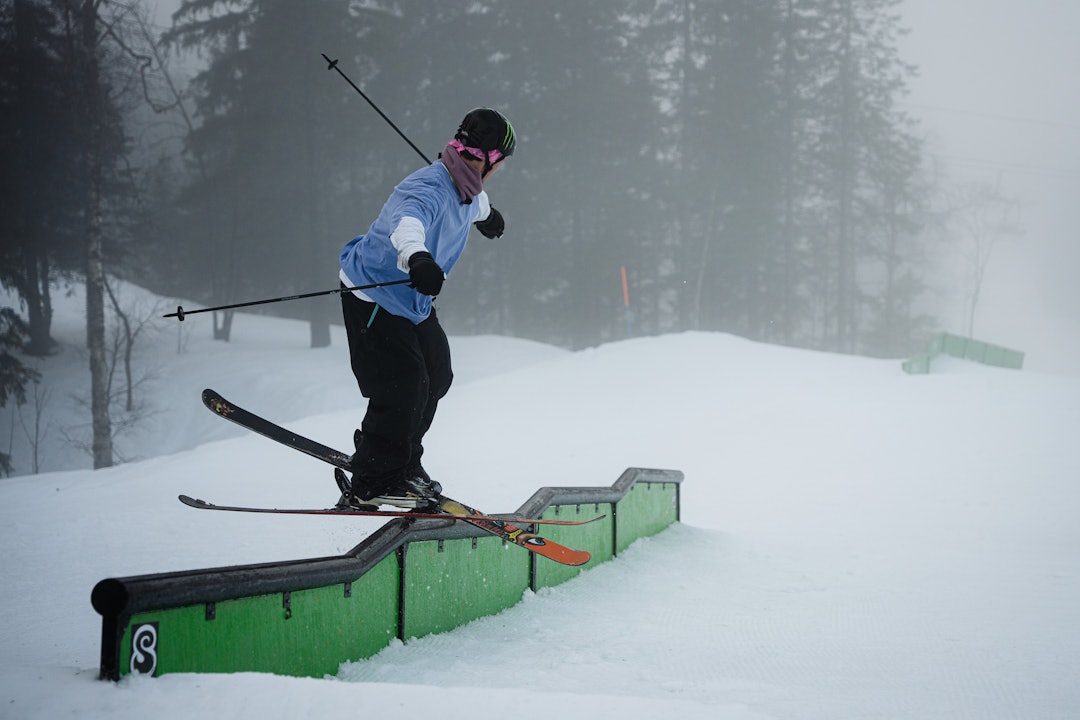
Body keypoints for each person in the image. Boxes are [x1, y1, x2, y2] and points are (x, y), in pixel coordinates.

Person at [337, 108, 516, 510]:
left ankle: (400, 459)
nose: (499, 170)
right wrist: (417, 257)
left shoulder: (467, 187)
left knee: (436, 375)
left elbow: (476, 203)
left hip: (412, 301)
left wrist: (488, 217)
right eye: (500, 162)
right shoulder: (427, 188)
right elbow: (408, 223)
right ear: (487, 158)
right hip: (374, 293)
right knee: (404, 382)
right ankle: (373, 479)